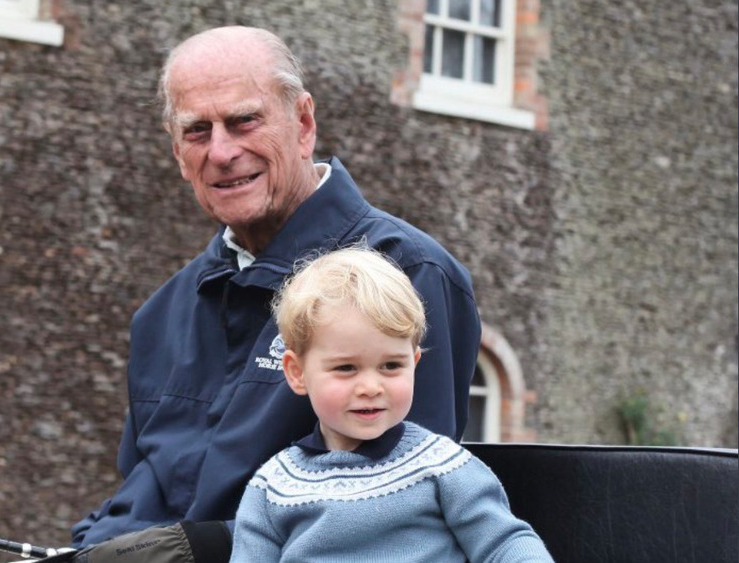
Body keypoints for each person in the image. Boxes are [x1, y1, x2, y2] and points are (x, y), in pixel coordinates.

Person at [69, 26, 481, 562]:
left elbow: (400, 514)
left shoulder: (405, 272)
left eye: (244, 121)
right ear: (177, 153)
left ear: (303, 122)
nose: (221, 151)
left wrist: (195, 549)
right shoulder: (161, 314)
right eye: (198, 132)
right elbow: (140, 498)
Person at [229, 246, 552, 562]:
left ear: (414, 363)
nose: (371, 387)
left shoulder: (442, 465)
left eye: (391, 366)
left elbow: (504, 543)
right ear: (297, 373)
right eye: (346, 368)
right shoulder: (275, 485)